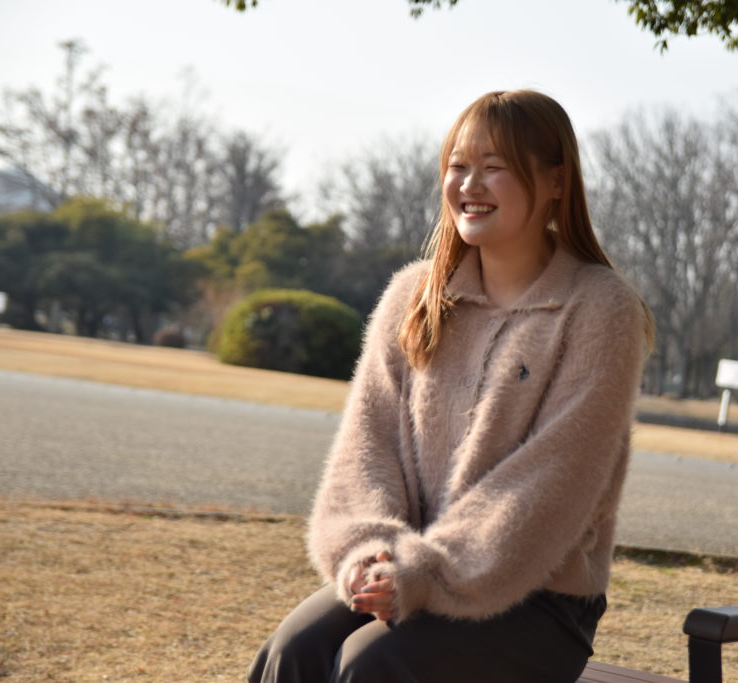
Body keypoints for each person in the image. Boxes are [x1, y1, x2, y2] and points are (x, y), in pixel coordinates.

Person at [248, 89, 654, 683]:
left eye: (494, 166)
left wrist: (427, 572)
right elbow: (367, 446)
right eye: (458, 166)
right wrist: (372, 552)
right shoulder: (413, 297)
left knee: (372, 663)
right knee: (295, 649)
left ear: (556, 181)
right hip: (401, 568)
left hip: (539, 601)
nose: (470, 184)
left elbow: (553, 479)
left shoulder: (599, 307)